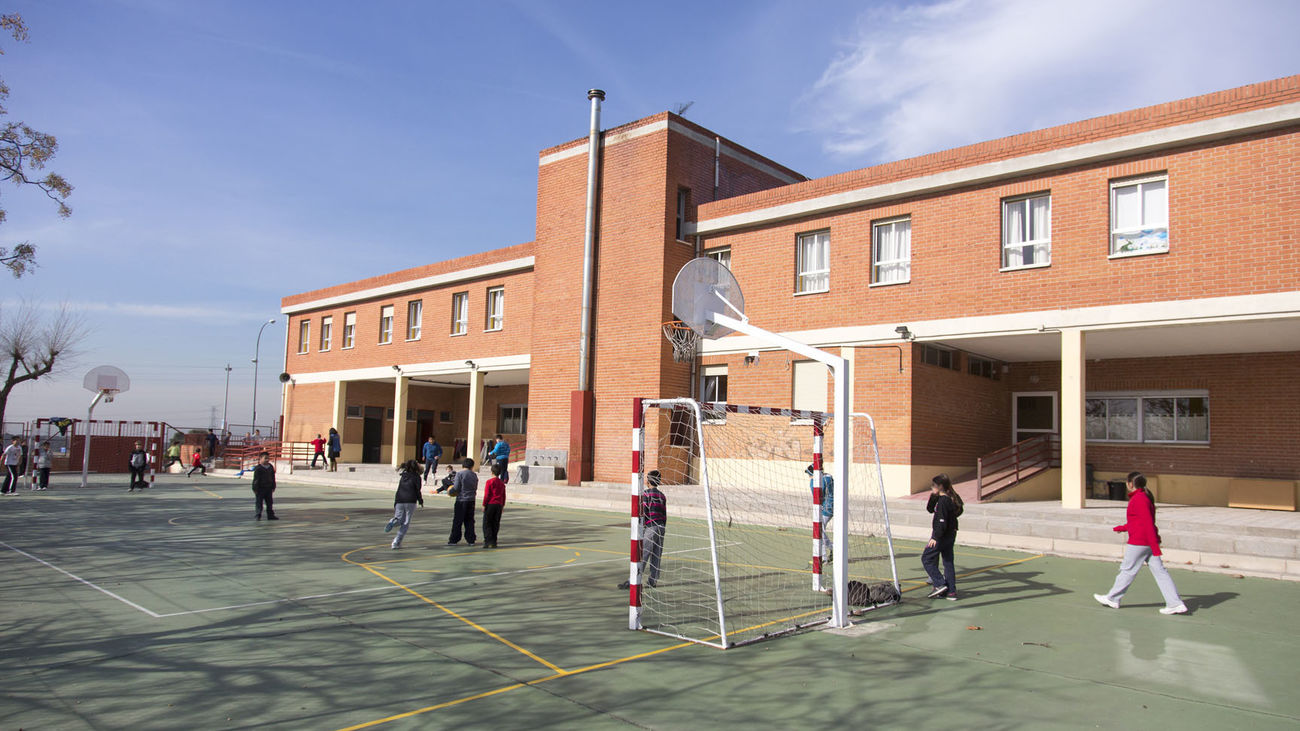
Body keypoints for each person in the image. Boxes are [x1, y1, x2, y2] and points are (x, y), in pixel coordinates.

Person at [1094, 472, 1187, 615]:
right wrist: (1122, 528)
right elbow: (1137, 522)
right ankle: (1175, 603)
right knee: (1160, 572)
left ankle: (1112, 598)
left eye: (1127, 482)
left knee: (1127, 570)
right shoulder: (1143, 497)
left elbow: (1148, 523)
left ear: (1130, 484)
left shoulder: (1139, 499)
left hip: (1140, 542)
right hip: (1146, 542)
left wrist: (1154, 546)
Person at [620, 470, 667, 590]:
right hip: (661, 527)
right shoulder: (662, 496)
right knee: (657, 554)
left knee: (642, 554)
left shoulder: (645, 495)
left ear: (648, 481)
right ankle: (653, 580)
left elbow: (643, 513)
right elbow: (664, 514)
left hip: (651, 527)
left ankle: (633, 580)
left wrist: (640, 529)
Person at [922, 473, 963, 600]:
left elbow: (941, 521)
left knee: (927, 558)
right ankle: (951, 591)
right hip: (950, 534)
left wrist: (935, 537)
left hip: (943, 536)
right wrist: (934, 496)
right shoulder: (944, 499)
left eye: (933, 485)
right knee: (948, 561)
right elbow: (929, 509)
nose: (931, 487)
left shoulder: (944, 501)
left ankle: (940, 583)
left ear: (940, 486)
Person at [384, 460, 424, 549]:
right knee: (405, 523)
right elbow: (417, 490)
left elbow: (399, 489)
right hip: (410, 500)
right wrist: (420, 500)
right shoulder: (417, 477)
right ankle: (396, 543)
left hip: (399, 500)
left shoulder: (403, 476)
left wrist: (396, 502)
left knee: (399, 519)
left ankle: (392, 522)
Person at [806, 463, 834, 566]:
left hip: (827, 508)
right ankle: (826, 555)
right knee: (819, 530)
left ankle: (827, 554)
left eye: (810, 474)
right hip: (833, 506)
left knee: (819, 530)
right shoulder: (828, 476)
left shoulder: (815, 482)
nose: (809, 476)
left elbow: (817, 497)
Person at [446, 458, 478, 545]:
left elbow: (456, 487)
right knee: (470, 520)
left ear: (463, 465)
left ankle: (454, 539)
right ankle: (471, 539)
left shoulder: (459, 474)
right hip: (471, 500)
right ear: (472, 466)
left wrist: (450, 492)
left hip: (461, 499)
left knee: (458, 520)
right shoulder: (474, 475)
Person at [481, 463, 507, 548]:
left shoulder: (489, 482)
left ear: (491, 472)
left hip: (491, 504)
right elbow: (503, 495)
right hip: (499, 504)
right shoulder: (501, 483)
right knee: (495, 523)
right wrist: (502, 505)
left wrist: (484, 504)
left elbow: (487, 494)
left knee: (487, 523)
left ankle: (487, 541)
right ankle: (494, 541)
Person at [251, 451, 278, 520]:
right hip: (260, 489)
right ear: (260, 459)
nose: (267, 460)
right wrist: (255, 488)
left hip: (268, 488)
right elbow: (256, 479)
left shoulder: (270, 467)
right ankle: (258, 515)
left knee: (269, 503)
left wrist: (273, 486)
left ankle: (270, 515)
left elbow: (273, 477)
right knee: (259, 503)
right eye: (265, 458)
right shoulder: (258, 468)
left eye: (268, 458)